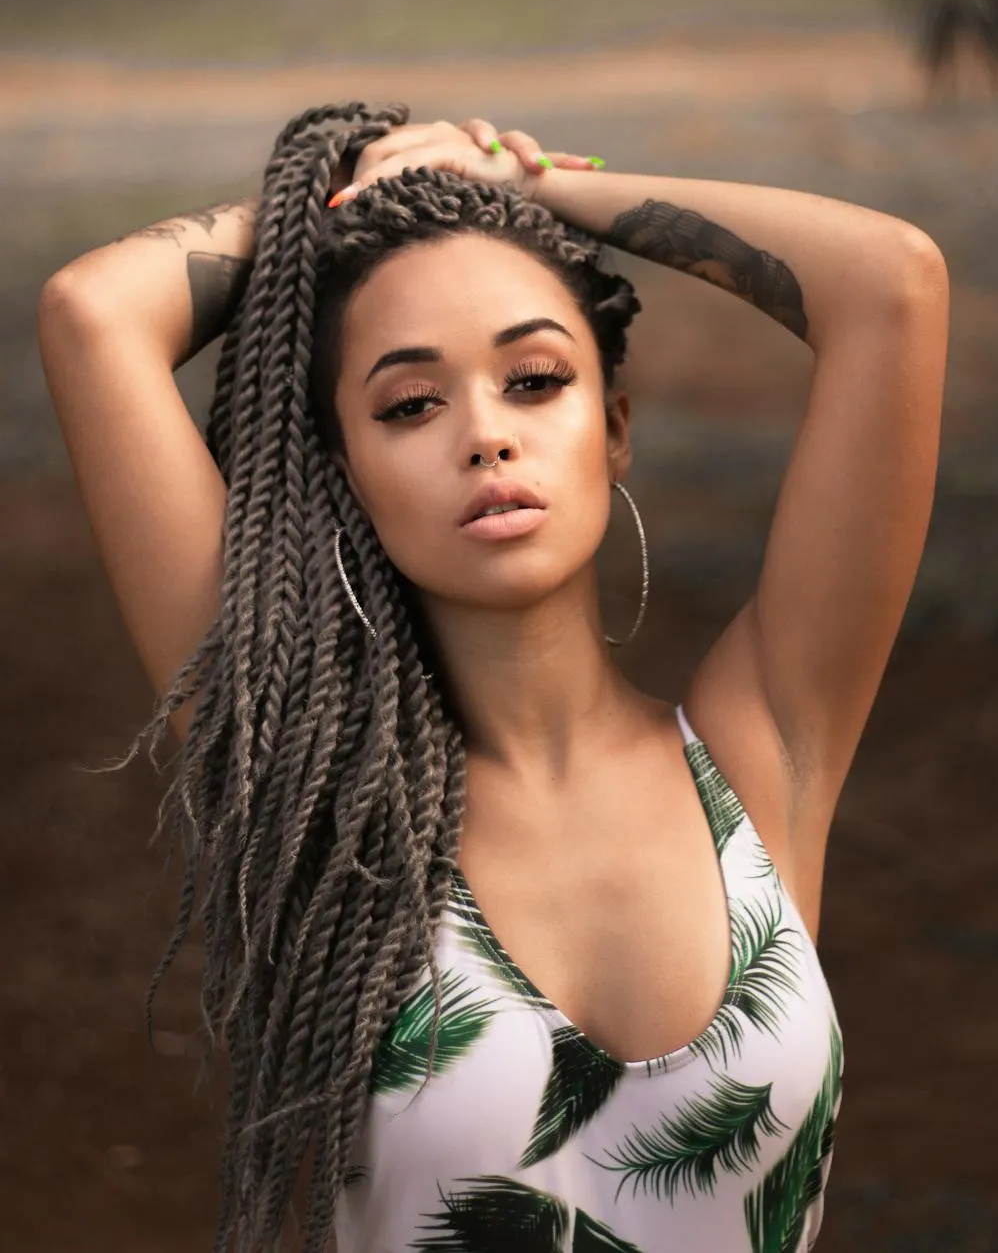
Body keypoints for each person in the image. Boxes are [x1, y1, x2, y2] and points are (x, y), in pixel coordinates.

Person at [37, 101, 949, 1253]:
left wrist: (529, 183)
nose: (485, 433)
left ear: (612, 424)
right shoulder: (312, 798)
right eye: (410, 404)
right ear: (345, 471)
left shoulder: (761, 745)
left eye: (534, 378)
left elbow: (892, 286)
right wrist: (338, 202)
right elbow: (95, 313)